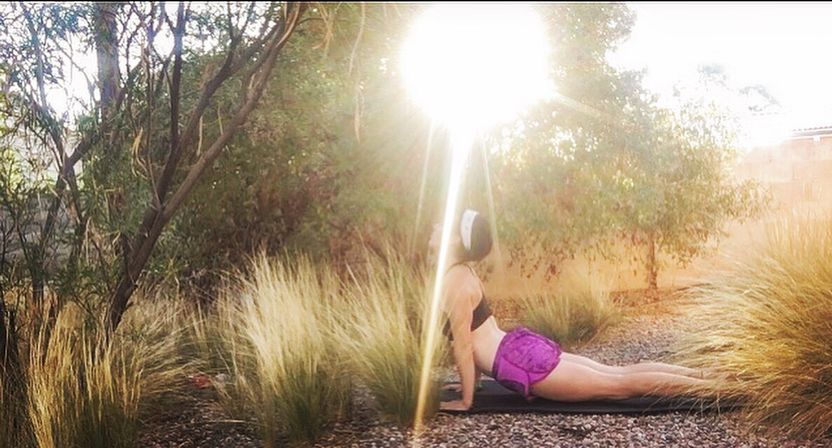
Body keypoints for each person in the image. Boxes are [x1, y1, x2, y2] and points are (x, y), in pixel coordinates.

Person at [432, 209, 715, 412]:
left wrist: (466, 402)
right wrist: (473, 384)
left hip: (520, 362)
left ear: (456, 241)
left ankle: (716, 388)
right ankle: (705, 376)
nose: (434, 227)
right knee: (618, 373)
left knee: (620, 386)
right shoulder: (462, 273)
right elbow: (475, 333)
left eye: (442, 225)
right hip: (519, 349)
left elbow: (465, 346)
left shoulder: (454, 281)